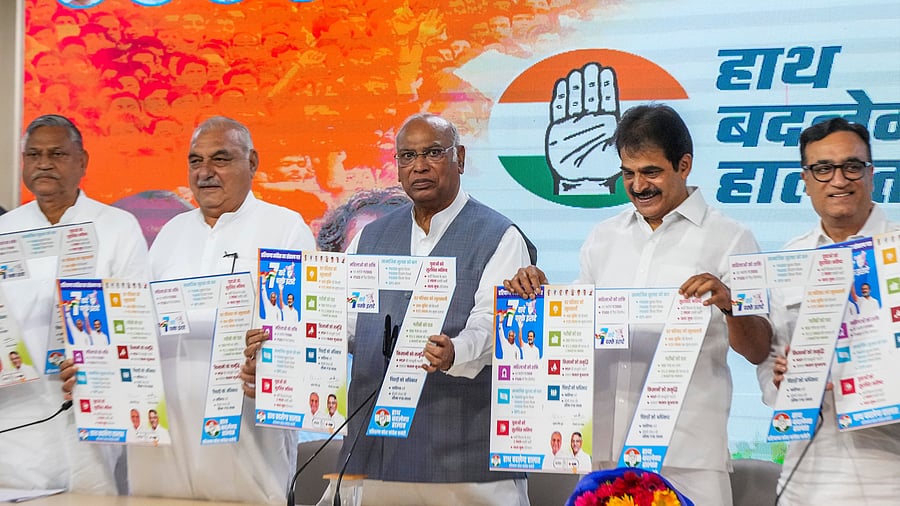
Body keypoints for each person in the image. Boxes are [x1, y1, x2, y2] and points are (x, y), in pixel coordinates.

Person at [245, 113, 537, 505]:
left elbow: (492, 323)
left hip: (461, 459)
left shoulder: (499, 235)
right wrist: (279, 352)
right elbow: (336, 322)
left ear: (461, 159)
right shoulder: (371, 237)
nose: (419, 165)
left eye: (434, 153)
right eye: (407, 156)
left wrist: (455, 350)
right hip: (373, 452)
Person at [505, 104, 772, 505]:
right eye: (628, 173)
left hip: (689, 453)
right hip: (605, 453)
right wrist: (535, 296)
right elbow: (573, 326)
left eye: (651, 172)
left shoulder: (733, 238)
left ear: (684, 165)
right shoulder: (603, 237)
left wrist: (732, 306)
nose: (638, 185)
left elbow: (758, 349)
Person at [100, 116, 314, 504]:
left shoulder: (284, 228)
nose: (205, 172)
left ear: (252, 162)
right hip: (164, 445)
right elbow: (140, 324)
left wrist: (272, 359)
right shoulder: (171, 233)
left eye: (220, 159)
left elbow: (297, 330)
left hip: (246, 443)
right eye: (195, 161)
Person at [0, 114, 150, 495]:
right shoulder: (5, 230)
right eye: (33, 154)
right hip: (14, 413)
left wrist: (99, 360)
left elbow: (136, 320)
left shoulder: (117, 226)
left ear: (82, 162)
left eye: (56, 154)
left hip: (87, 406)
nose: (44, 163)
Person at [760, 118, 900, 504]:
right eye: (822, 169)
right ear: (805, 180)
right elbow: (769, 369)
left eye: (852, 166)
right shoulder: (789, 258)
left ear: (872, 174)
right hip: (804, 479)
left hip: (888, 477)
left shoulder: (897, 250)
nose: (839, 180)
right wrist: (783, 379)